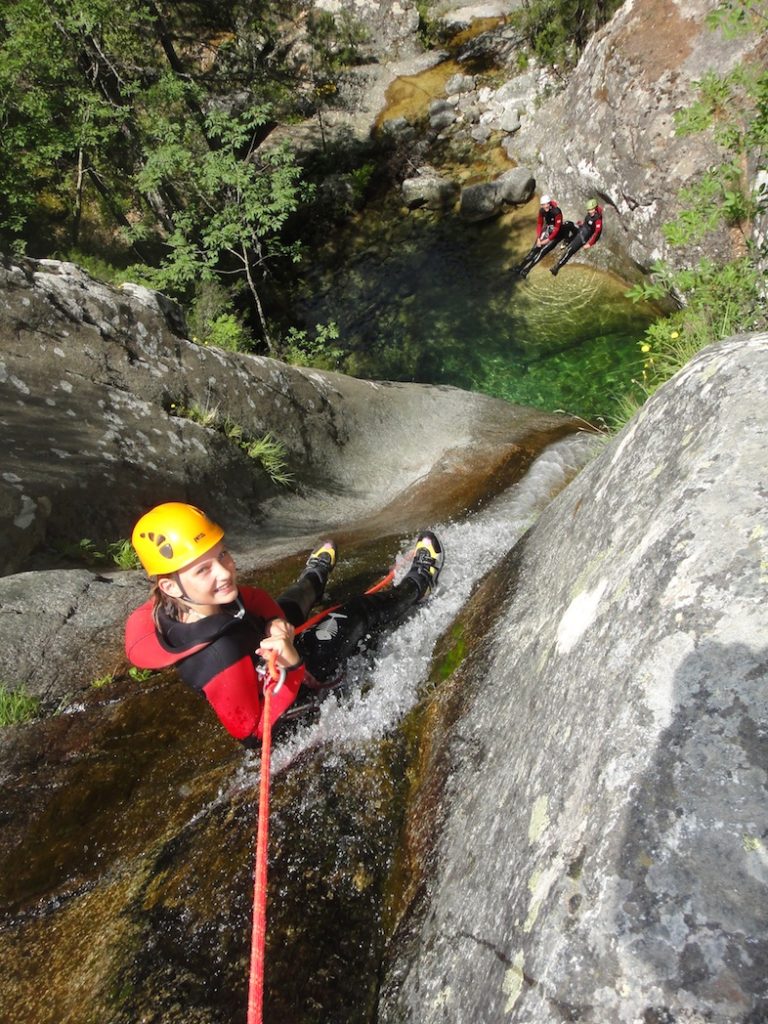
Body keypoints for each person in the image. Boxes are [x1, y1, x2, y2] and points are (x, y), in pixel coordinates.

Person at [124, 502, 444, 748]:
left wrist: (275, 622)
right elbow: (252, 732)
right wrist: (292, 665)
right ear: (170, 587)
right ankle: (416, 587)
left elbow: (254, 599)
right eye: (203, 570)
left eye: (223, 556)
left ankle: (314, 576)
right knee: (355, 613)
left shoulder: (188, 602)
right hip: (284, 705)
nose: (224, 573)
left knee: (291, 603)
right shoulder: (218, 658)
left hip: (265, 650)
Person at [512, 195, 565, 278]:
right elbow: (540, 224)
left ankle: (527, 270)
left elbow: (557, 228)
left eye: (547, 204)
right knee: (534, 249)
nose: (545, 206)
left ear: (549, 203)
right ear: (541, 205)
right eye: (543, 205)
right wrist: (539, 238)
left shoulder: (556, 212)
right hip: (548, 228)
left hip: (556, 233)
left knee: (541, 252)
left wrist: (547, 240)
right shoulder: (542, 211)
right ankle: (520, 267)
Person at [550, 198, 603, 276]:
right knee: (568, 224)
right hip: (581, 229)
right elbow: (588, 223)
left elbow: (597, 233)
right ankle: (566, 241)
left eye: (591, 210)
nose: (589, 212)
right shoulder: (591, 213)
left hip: (584, 237)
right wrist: (582, 224)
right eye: (588, 210)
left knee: (570, 250)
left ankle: (556, 268)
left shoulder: (598, 220)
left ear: (595, 209)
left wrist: (590, 244)